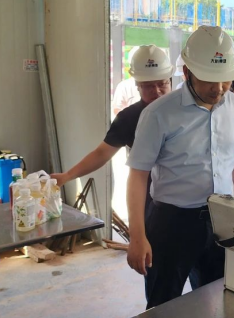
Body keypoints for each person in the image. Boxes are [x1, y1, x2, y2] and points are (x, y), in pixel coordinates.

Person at [126, 26, 234, 309]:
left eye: (225, 80)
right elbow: (137, 176)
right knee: (163, 307)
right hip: (172, 223)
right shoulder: (159, 113)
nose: (218, 89)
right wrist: (137, 236)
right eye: (209, 80)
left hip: (221, 220)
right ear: (186, 73)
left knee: (218, 301)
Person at [52, 45, 172, 221]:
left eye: (162, 84)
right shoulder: (129, 118)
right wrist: (67, 176)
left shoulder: (187, 111)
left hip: (189, 201)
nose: (157, 91)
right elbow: (102, 153)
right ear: (137, 85)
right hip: (150, 200)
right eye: (148, 86)